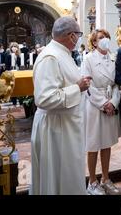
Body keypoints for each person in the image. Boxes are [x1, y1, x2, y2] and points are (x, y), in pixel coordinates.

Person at [30, 16, 92, 195]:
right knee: (58, 178)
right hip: (55, 129)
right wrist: (77, 87)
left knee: (69, 176)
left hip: (66, 126)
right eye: (78, 34)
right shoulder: (50, 57)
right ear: (72, 36)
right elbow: (44, 98)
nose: (79, 38)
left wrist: (78, 83)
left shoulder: (63, 54)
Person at [82, 29, 121, 195]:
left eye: (106, 37)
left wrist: (113, 102)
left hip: (111, 104)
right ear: (94, 42)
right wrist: (103, 103)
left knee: (106, 143)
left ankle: (105, 178)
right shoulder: (88, 59)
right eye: (100, 38)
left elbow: (117, 83)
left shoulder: (114, 57)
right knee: (93, 145)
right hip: (94, 105)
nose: (104, 39)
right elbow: (87, 85)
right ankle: (92, 182)